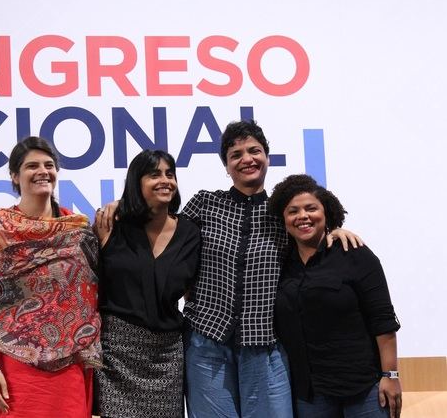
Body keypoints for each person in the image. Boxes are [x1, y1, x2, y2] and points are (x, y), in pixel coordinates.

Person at [97, 119, 363, 417]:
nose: (246, 159)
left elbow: (308, 230)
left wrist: (333, 231)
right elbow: (161, 221)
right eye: (236, 155)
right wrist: (122, 202)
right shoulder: (205, 204)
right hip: (206, 345)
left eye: (254, 151)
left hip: (265, 344)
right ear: (226, 166)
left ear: (266, 157)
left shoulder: (282, 212)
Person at [0, 136, 102, 418]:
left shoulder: (77, 231)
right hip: (16, 369)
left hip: (70, 367)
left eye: (49, 165)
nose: (42, 171)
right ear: (15, 176)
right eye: (32, 166)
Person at [268, 174, 401, 418]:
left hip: (364, 390)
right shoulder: (280, 263)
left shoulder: (354, 253)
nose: (303, 216)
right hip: (311, 395)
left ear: (326, 213)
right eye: (293, 211)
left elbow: (383, 320)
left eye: (311, 208)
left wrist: (390, 375)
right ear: (283, 220)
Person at [94, 150, 200, 418]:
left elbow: (191, 292)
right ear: (136, 182)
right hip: (116, 356)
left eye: (169, 174)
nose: (165, 180)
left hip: (166, 356)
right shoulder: (110, 225)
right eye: (154, 174)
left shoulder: (191, 232)